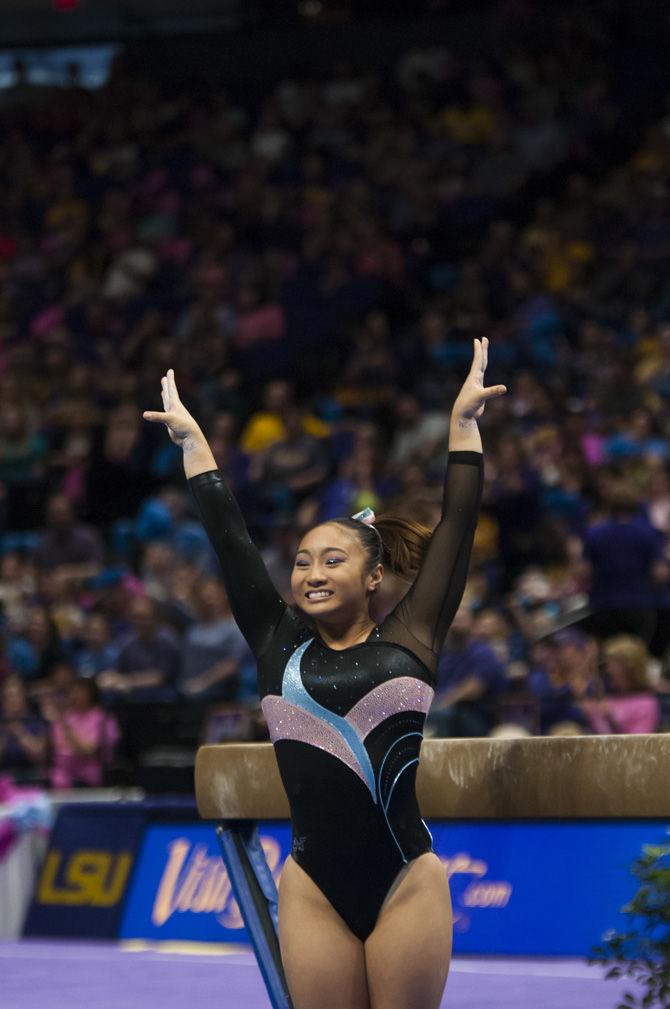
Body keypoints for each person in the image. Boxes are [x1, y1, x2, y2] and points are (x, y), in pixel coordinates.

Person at [144, 338, 507, 1009]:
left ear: (374, 576)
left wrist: (462, 430)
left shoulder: (413, 635)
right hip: (312, 883)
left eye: (333, 560)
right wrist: (196, 447)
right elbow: (232, 540)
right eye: (305, 560)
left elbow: (456, 526)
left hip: (405, 880)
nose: (312, 573)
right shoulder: (276, 641)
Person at [43, 676, 119, 788]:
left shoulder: (101, 717)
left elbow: (88, 750)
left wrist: (66, 727)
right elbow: (58, 747)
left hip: (90, 773)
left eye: (80, 690)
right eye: (74, 690)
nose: (75, 694)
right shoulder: (66, 715)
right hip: (63, 773)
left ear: (90, 693)